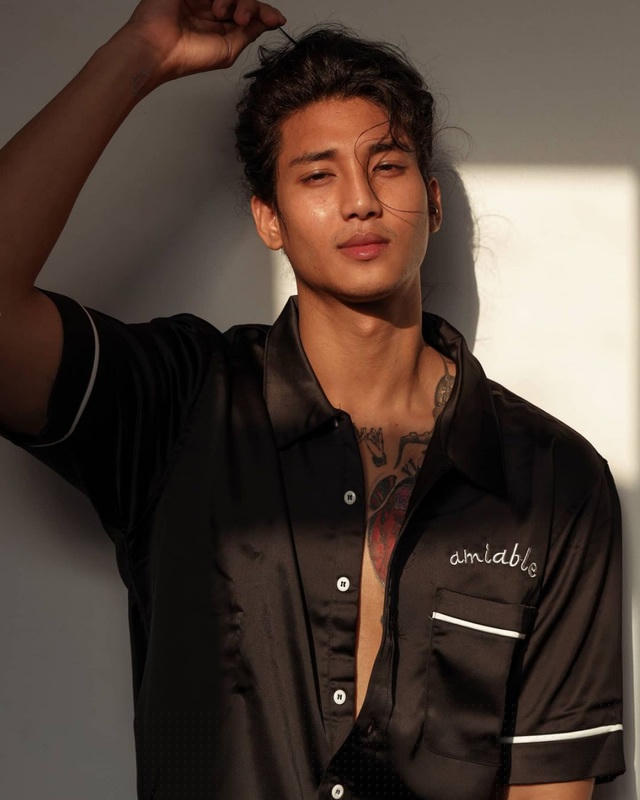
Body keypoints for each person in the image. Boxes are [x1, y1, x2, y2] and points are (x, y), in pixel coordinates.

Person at [0, 1, 626, 799]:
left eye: (387, 165)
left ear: (433, 201)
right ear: (269, 217)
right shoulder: (182, 405)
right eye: (318, 174)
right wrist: (140, 53)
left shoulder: (552, 479)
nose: (360, 199)